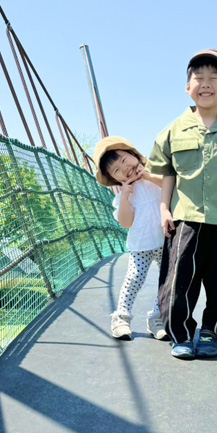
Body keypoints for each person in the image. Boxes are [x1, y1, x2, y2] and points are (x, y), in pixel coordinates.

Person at [147, 49, 217, 359]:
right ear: (188, 87)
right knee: (178, 282)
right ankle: (181, 335)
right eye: (198, 78)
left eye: (215, 78)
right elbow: (167, 173)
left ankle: (211, 332)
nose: (206, 84)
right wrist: (163, 208)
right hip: (184, 219)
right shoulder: (173, 130)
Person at [93, 137, 169, 341]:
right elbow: (126, 223)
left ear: (135, 156)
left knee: (167, 281)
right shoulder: (123, 197)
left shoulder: (155, 179)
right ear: (115, 179)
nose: (125, 169)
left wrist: (149, 176)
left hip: (165, 242)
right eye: (117, 170)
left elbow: (171, 186)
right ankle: (121, 317)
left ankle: (157, 318)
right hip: (140, 246)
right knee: (134, 278)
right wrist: (125, 197)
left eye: (126, 160)